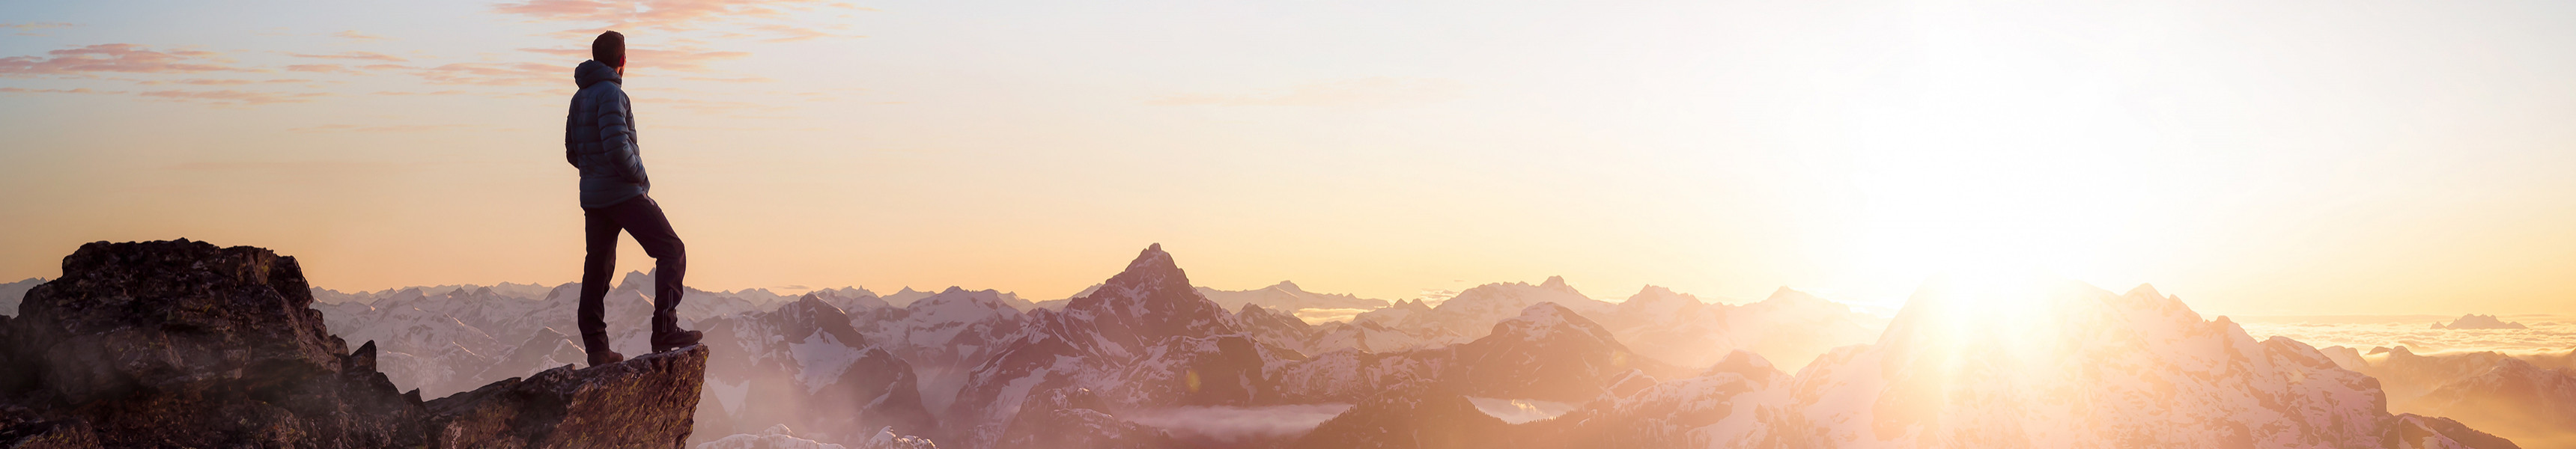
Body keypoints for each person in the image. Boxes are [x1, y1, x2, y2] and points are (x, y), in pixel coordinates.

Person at [565, 31, 700, 367]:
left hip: (594, 197)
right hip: (623, 193)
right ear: (623, 60)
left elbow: (572, 152)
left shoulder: (579, 98)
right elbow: (617, 148)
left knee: (597, 270)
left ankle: (597, 348)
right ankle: (665, 330)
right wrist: (639, 176)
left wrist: (594, 174)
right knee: (671, 249)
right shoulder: (612, 95)